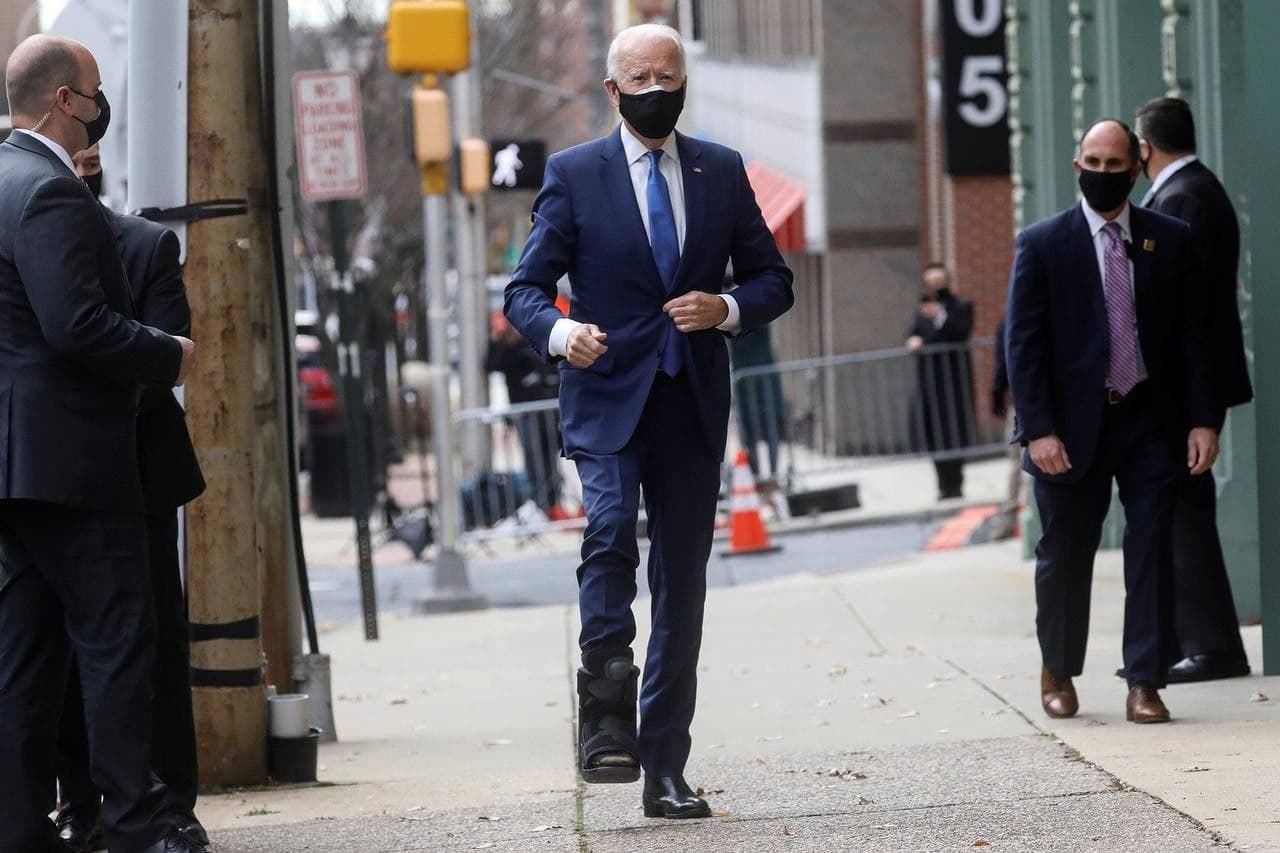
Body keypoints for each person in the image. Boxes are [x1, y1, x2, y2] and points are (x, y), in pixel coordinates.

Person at [504, 23, 793, 819]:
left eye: (670, 74)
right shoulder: (574, 174)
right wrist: (565, 333)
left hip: (691, 401)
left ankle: (665, 765)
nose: (657, 87)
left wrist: (725, 306)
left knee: (682, 584)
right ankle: (606, 718)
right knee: (606, 531)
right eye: (641, 77)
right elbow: (524, 289)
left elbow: (775, 280)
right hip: (604, 396)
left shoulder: (721, 170)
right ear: (614, 89)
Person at [0, 35, 201, 853]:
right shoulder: (48, 191)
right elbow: (75, 323)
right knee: (118, 642)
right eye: (92, 90)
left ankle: (18, 827)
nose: (100, 105)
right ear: (63, 102)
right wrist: (169, 354)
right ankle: (134, 822)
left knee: (24, 654)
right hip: (76, 463)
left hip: (17, 469)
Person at [1005, 117, 1217, 725]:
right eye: (1091, 164)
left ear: (1135, 166)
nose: (1102, 174)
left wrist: (1204, 420)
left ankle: (1145, 681)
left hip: (1151, 419)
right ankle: (1059, 668)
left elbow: (1193, 337)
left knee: (1152, 547)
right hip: (1070, 430)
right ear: (1078, 167)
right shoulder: (1043, 243)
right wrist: (1038, 430)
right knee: (1066, 552)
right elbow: (1024, 345)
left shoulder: (1168, 239)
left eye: (1113, 164)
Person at [52, 144, 209, 852]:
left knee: (152, 641)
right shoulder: (23, 242)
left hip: (138, 474)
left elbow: (168, 356)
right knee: (58, 649)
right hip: (54, 477)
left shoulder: (145, 246)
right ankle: (82, 799)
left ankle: (169, 799)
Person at [1134, 97, 1254, 684]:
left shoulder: (1184, 198)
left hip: (1186, 392)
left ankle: (1211, 648)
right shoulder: (1193, 192)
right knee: (1179, 513)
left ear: (1145, 148)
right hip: (1186, 389)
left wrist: (1202, 412)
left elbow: (1194, 315)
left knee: (1185, 515)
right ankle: (1198, 643)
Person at [906, 263, 975, 500]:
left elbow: (960, 332)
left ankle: (955, 482)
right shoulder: (922, 311)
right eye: (930, 284)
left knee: (955, 430)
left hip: (954, 381)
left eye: (939, 282)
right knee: (934, 431)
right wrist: (914, 340)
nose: (935, 288)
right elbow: (914, 333)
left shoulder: (961, 308)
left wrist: (941, 318)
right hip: (930, 381)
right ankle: (943, 485)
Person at [485, 312, 564, 517]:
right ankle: (541, 505)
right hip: (524, 412)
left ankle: (552, 502)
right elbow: (491, 365)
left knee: (548, 458)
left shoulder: (534, 344)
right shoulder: (507, 349)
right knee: (533, 459)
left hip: (546, 410)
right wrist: (497, 337)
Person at [729, 319, 787, 482]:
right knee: (749, 432)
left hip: (762, 380)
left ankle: (772, 476)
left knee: (770, 428)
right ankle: (756, 476)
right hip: (744, 381)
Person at [989, 316, 1022, 540]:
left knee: (1016, 462)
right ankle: (1009, 519)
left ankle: (1009, 519)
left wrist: (998, 393)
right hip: (1023, 399)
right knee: (1017, 461)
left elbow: (1002, 361)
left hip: (1023, 399)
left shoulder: (1013, 316)